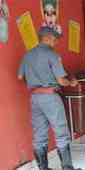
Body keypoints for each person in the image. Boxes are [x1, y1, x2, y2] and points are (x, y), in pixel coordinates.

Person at [18, 26, 81, 170]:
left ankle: (43, 169)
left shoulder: (28, 55)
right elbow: (61, 80)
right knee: (61, 133)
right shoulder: (52, 54)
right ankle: (67, 168)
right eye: (55, 38)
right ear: (46, 38)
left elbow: (20, 76)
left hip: (35, 98)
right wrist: (71, 82)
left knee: (39, 136)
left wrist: (35, 85)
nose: (56, 41)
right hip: (51, 97)